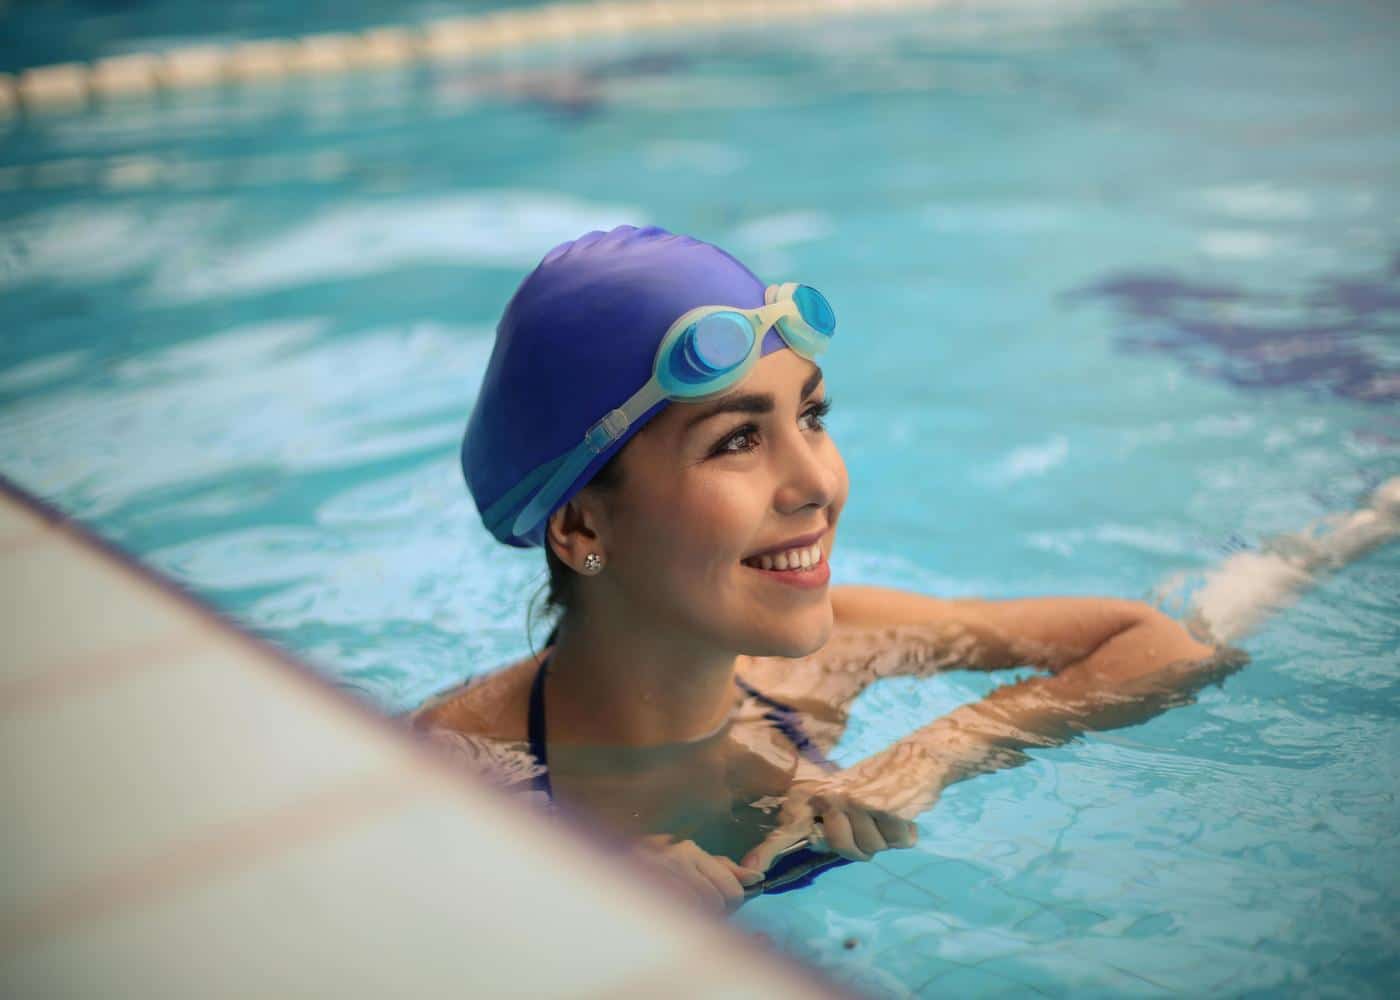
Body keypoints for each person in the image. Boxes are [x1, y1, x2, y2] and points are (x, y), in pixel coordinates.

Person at [409, 224, 1400, 915]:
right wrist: (577, 916)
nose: (819, 483)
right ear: (582, 521)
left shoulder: (833, 656)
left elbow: (1163, 643)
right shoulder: (451, 777)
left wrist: (940, 749)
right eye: (733, 443)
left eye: (811, 417)